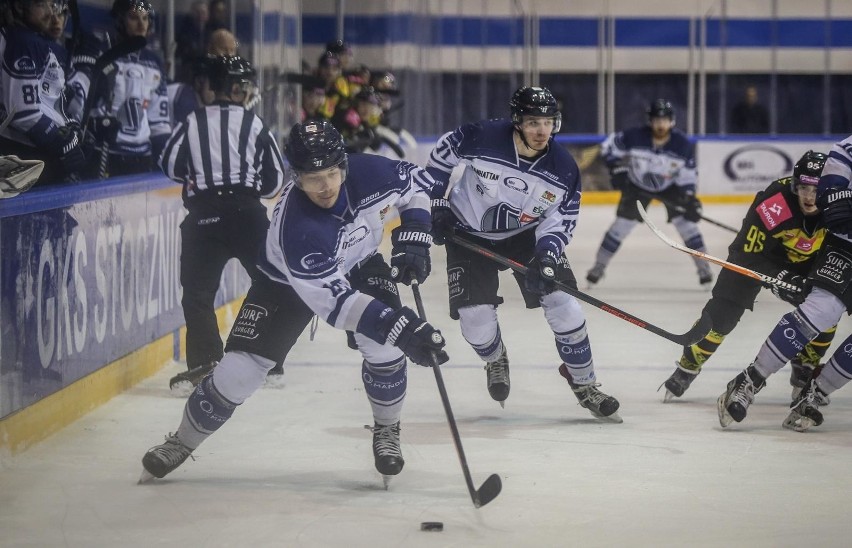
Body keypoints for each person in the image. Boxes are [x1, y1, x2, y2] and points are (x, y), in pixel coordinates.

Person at [140, 120, 448, 481]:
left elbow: (420, 184)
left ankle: (387, 429)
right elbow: (335, 304)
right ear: (296, 176)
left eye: (333, 173)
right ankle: (182, 441)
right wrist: (403, 328)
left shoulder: (371, 171)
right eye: (313, 177)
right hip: (285, 283)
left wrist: (415, 231)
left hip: (361, 263)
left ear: (344, 165)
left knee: (384, 348)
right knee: (238, 372)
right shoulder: (299, 228)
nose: (326, 186)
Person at [426, 85, 621, 421]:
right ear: (517, 121)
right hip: (467, 232)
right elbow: (439, 159)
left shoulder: (563, 168)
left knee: (566, 307)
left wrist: (547, 254)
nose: (542, 130)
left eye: (548, 122)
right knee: (475, 322)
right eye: (533, 122)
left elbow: (562, 218)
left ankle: (585, 383)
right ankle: (495, 356)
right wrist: (437, 204)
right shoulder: (482, 136)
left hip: (527, 237)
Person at [661, 151, 836, 401]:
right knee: (721, 315)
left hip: (811, 264)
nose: (808, 197)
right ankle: (687, 366)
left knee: (827, 309)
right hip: (762, 257)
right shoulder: (776, 201)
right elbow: (745, 254)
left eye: (815, 189)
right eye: (802, 188)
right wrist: (781, 276)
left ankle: (805, 365)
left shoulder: (840, 206)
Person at [158, 55, 285, 394]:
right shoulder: (255, 124)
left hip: (203, 217)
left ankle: (206, 363)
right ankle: (269, 361)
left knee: (198, 296)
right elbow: (274, 183)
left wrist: (204, 176)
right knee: (270, 282)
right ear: (237, 87)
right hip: (247, 214)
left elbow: (169, 165)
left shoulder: (192, 121)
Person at [716, 134, 852, 432]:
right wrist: (836, 194)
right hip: (846, 243)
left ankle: (815, 393)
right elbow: (841, 156)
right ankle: (749, 381)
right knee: (820, 311)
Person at [586, 99, 712, 288]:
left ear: (672, 121)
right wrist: (616, 169)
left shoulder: (682, 145)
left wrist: (689, 198)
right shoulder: (634, 136)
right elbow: (607, 148)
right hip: (637, 187)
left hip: (670, 188)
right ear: (650, 121)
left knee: (688, 227)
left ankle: (704, 268)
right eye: (656, 120)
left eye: (665, 120)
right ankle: (598, 266)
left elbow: (688, 175)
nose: (661, 124)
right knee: (620, 227)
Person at [0, 0, 87, 185]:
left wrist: (69, 126)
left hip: (28, 153)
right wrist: (63, 143)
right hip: (25, 154)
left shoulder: (31, 40)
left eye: (51, 5)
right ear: (18, 6)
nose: (50, 12)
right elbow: (24, 114)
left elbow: (49, 103)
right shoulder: (22, 41)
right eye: (41, 4)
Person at [89, 0, 170, 177]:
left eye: (145, 18)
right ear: (119, 21)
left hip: (142, 156)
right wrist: (95, 124)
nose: (141, 24)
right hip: (106, 152)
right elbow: (85, 105)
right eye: (134, 18)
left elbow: (159, 120)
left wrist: (163, 157)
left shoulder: (155, 63)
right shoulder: (101, 55)